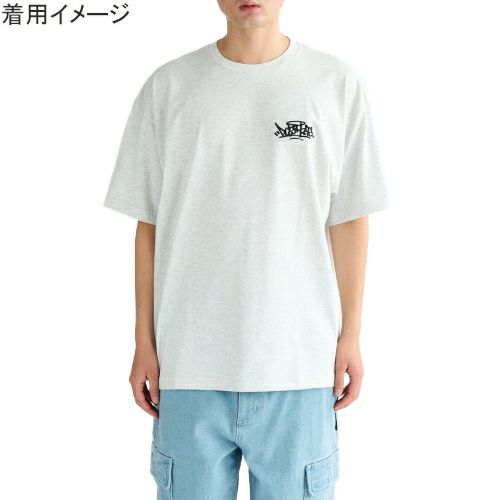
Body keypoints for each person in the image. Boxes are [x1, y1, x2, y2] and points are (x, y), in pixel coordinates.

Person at [103, 1, 388, 498]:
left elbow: (349, 220)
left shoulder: (335, 84)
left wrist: (352, 334)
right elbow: (149, 225)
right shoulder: (170, 87)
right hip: (188, 364)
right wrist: (143, 340)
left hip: (299, 362)